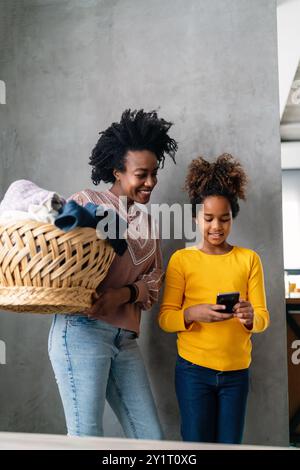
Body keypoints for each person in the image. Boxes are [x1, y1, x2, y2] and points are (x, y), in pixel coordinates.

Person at [48, 109, 177, 438]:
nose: (150, 182)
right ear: (118, 171)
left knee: (152, 440)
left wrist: (123, 294)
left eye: (154, 173)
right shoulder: (86, 203)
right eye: (141, 174)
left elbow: (154, 285)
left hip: (125, 339)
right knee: (86, 437)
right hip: (82, 330)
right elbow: (63, 261)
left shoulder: (149, 223)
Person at [158, 154, 270, 444]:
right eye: (208, 219)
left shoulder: (249, 260)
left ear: (233, 217)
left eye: (224, 218)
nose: (216, 227)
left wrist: (249, 319)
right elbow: (166, 318)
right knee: (196, 446)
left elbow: (263, 318)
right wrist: (193, 313)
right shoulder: (182, 260)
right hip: (193, 373)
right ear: (197, 218)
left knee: (230, 447)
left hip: (236, 375)